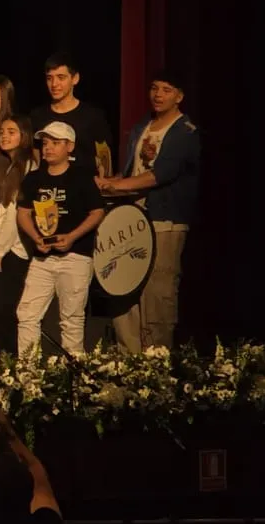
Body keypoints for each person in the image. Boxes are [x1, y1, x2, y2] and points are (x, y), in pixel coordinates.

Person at [97, 70, 198, 352]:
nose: (158, 94)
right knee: (124, 285)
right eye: (154, 88)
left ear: (179, 96)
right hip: (133, 218)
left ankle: (156, 359)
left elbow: (159, 175)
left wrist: (118, 187)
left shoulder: (184, 131)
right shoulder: (143, 125)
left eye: (166, 89)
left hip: (164, 221)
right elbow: (132, 172)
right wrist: (110, 182)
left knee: (158, 292)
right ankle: (129, 355)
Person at [16, 121, 107, 357]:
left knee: (71, 319)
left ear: (70, 146)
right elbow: (23, 213)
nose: (48, 148)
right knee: (26, 315)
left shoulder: (82, 177)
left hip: (75, 256)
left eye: (55, 143)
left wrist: (72, 237)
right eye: (45, 143)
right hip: (43, 258)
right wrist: (36, 237)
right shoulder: (33, 179)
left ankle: (72, 378)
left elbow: (97, 211)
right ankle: (28, 373)